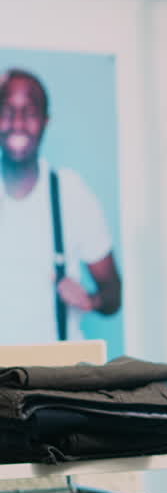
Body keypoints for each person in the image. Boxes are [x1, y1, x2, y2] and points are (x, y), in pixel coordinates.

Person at [0, 69, 121, 344]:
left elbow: (114, 295)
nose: (17, 123)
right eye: (7, 112)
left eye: (29, 113)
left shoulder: (70, 192)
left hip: (56, 375)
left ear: (45, 121)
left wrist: (92, 299)